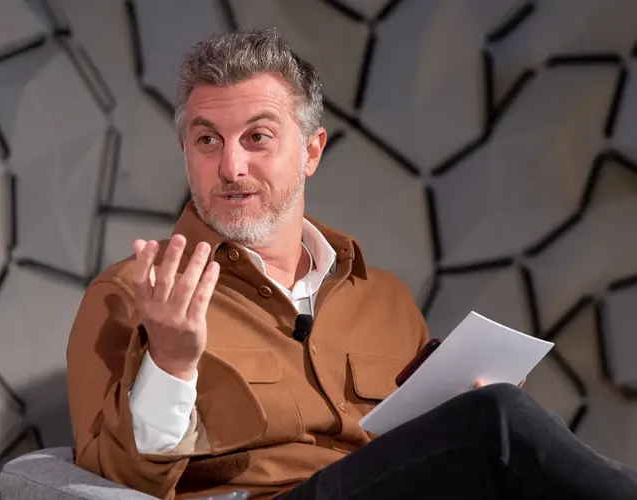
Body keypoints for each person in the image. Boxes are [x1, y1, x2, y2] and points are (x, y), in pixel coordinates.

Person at [66, 27, 637, 500]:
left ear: (312, 151)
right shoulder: (129, 293)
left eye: (257, 137)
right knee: (500, 420)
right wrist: (170, 363)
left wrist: (451, 413)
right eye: (207, 140)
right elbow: (109, 485)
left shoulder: (383, 297)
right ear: (186, 152)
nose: (231, 165)